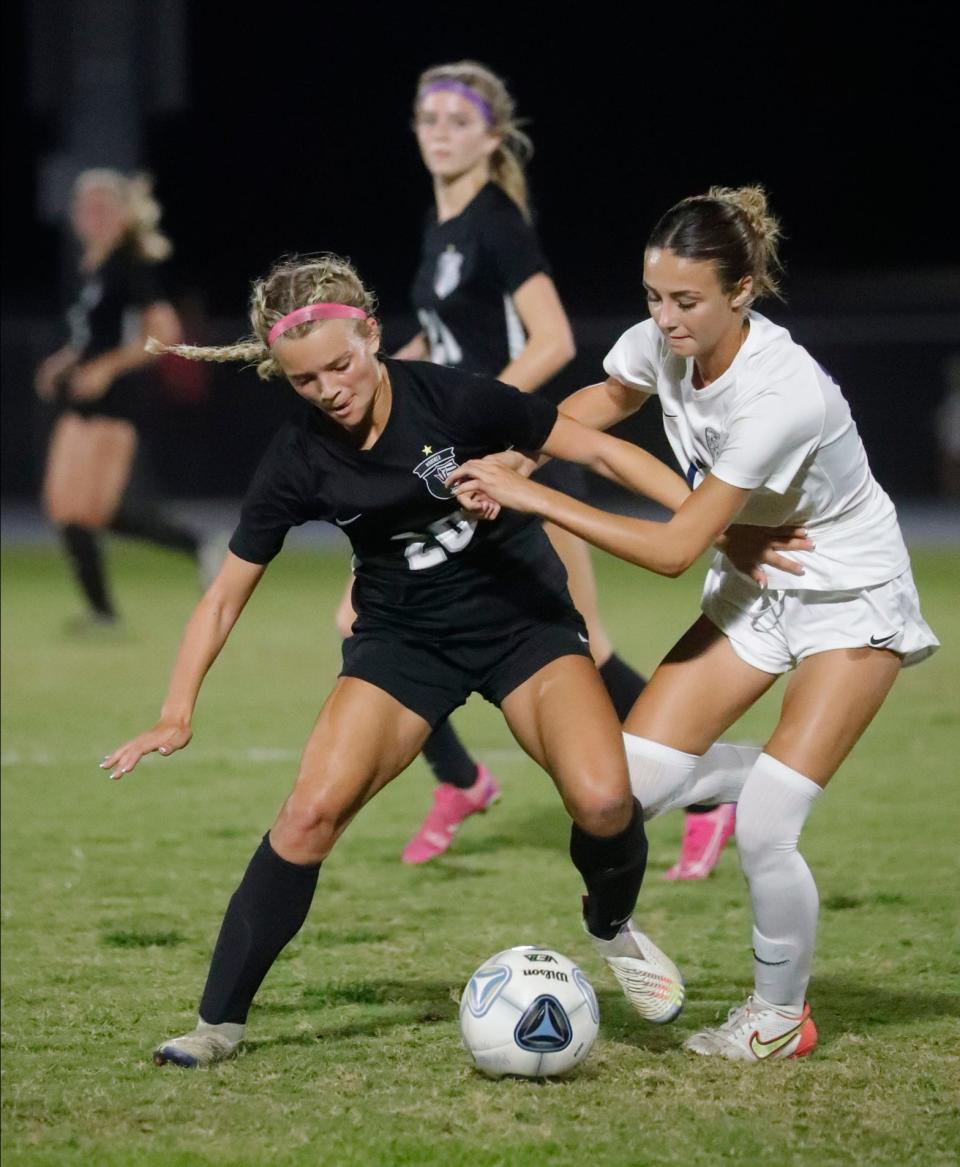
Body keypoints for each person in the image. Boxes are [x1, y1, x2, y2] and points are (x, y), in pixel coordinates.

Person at [100, 253, 699, 1068]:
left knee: (601, 802)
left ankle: (609, 924)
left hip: (522, 623)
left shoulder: (454, 397)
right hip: (402, 643)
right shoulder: (298, 457)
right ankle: (217, 1023)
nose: (330, 390)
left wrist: (707, 519)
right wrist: (178, 708)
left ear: (373, 336)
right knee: (308, 813)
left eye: (342, 365)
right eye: (306, 380)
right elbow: (224, 595)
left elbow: (595, 451)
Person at [448, 186, 940, 1062]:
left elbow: (677, 548)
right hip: (754, 586)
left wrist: (532, 494)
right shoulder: (658, 344)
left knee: (768, 829)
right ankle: (764, 776)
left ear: (742, 291)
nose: (664, 320)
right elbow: (607, 395)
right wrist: (523, 451)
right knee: (618, 794)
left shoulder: (780, 394)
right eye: (652, 297)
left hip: (845, 592)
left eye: (686, 302)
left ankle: (779, 1015)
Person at [343, 60, 731, 872]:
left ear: (491, 135)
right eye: (429, 117)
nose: (440, 132)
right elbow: (440, 349)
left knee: (579, 649)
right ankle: (460, 778)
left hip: (518, 459)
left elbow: (551, 342)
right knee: (364, 619)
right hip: (465, 465)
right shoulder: (441, 228)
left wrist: (479, 413)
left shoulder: (495, 223)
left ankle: (711, 794)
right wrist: (361, 374)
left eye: (457, 119)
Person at [34, 169, 221, 630]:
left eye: (102, 208)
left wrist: (104, 368)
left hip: (119, 404)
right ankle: (106, 608)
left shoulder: (131, 264)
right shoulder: (92, 269)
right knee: (71, 509)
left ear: (122, 215)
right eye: (84, 208)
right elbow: (91, 335)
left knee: (91, 511)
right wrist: (64, 361)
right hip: (81, 403)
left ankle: (196, 547)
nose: (90, 217)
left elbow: (165, 334)